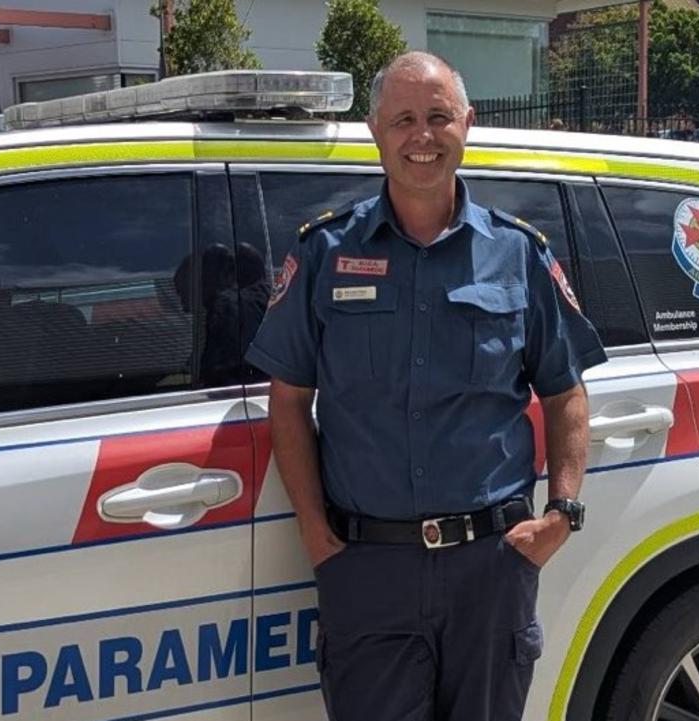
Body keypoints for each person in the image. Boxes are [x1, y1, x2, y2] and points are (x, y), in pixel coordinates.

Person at [244, 51, 606, 721]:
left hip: (490, 568)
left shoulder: (518, 252)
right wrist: (320, 538)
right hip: (367, 568)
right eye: (404, 118)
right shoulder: (323, 252)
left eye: (439, 116)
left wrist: (562, 512)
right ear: (375, 130)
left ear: (467, 124)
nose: (423, 136)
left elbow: (565, 389)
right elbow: (289, 401)